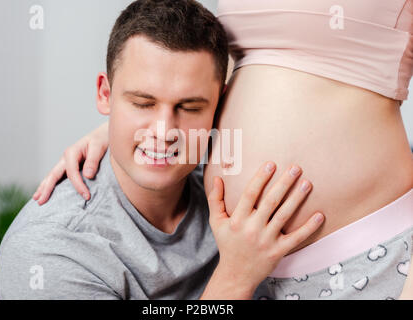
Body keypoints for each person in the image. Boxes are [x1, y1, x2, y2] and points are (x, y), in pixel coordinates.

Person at [35, 0, 413, 299]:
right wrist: (127, 128)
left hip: (374, 258)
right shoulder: (55, 250)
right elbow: (222, 69)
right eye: (142, 101)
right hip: (255, 277)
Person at [0, 0, 324, 299]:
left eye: (190, 107)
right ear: (105, 95)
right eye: (142, 102)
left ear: (220, 107)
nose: (164, 132)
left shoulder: (216, 169)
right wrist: (235, 278)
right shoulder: (52, 252)